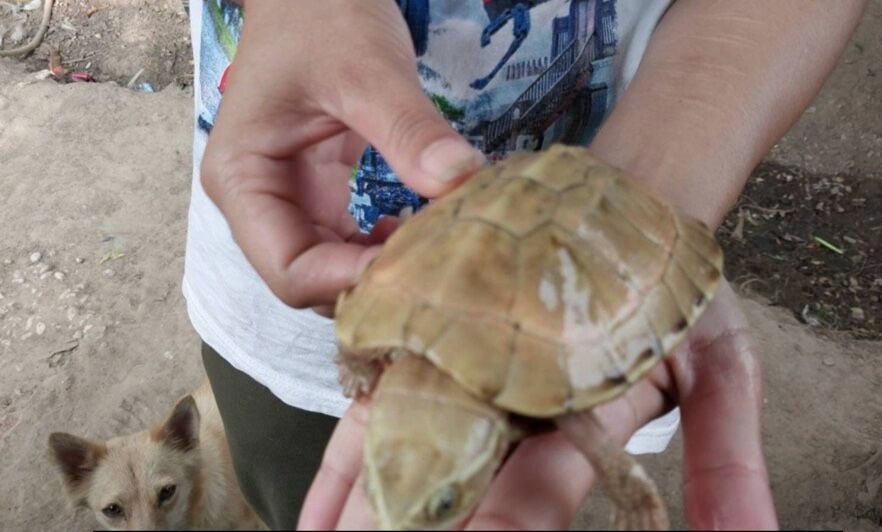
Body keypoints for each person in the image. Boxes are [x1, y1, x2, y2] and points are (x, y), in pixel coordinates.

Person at [184, 0, 866, 529]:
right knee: (285, 473)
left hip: (624, 187)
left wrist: (662, 182)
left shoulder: (514, 376)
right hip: (287, 266)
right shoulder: (384, 336)